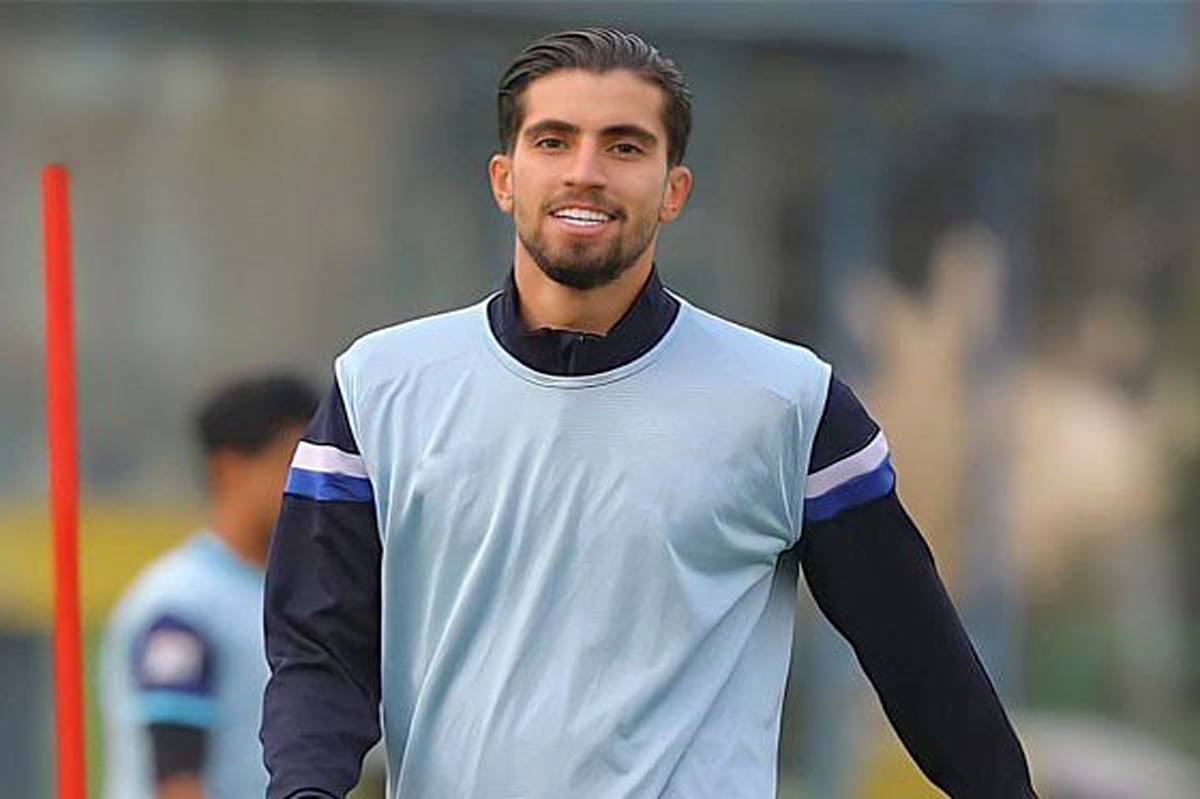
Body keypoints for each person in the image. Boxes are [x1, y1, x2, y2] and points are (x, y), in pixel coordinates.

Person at [262, 28, 1037, 799]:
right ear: (504, 178)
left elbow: (919, 658)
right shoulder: (380, 386)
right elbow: (319, 650)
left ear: (674, 190)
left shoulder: (789, 405)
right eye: (554, 141)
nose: (585, 172)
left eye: (625, 147)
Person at [102, 375, 317, 799]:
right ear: (230, 469)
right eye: (292, 464)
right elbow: (177, 776)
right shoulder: (183, 603)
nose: (312, 486)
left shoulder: (303, 593)